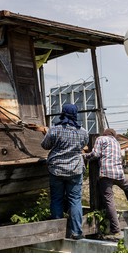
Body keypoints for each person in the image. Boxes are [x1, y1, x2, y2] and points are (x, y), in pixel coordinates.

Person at [41, 103, 89, 240]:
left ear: (62, 113)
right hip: (75, 169)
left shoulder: (54, 130)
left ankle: (57, 232)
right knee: (75, 200)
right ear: (76, 115)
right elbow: (82, 146)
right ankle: (77, 232)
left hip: (56, 169)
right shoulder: (83, 132)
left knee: (57, 198)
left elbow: (45, 145)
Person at [83, 128, 128, 241]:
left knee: (109, 200)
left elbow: (96, 154)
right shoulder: (117, 143)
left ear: (105, 133)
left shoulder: (101, 138)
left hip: (106, 173)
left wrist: (84, 155)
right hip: (118, 173)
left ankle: (116, 230)